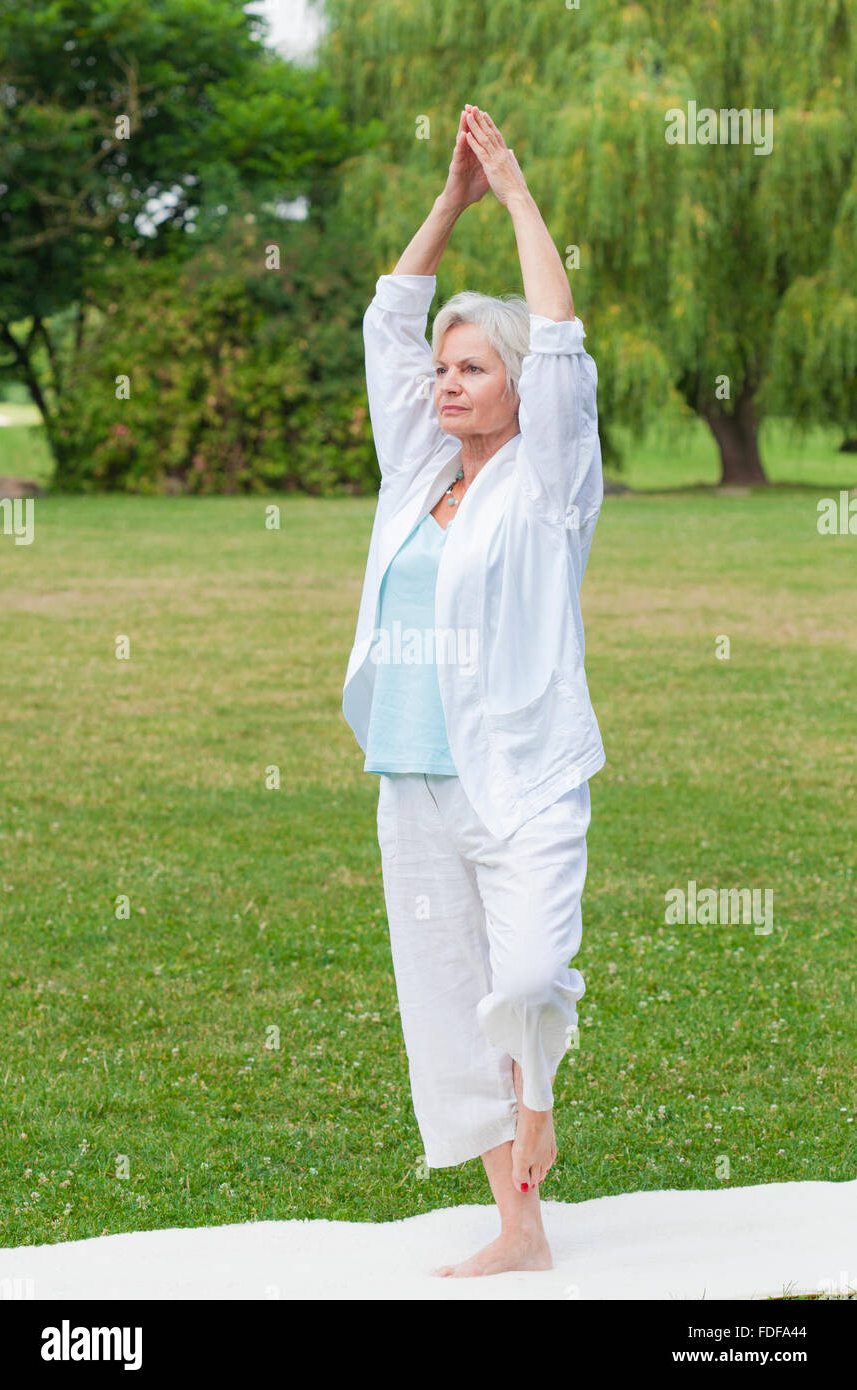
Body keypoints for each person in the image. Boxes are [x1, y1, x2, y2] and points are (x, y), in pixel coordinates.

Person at [342, 105, 606, 1277]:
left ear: (513, 387)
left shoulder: (547, 485)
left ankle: (537, 1092)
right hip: (411, 781)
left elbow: (558, 336)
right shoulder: (415, 473)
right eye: (439, 370)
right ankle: (519, 1227)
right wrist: (443, 201)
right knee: (450, 1011)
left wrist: (508, 190)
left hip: (525, 772)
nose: (444, 381)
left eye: (470, 366)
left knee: (529, 977)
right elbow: (389, 314)